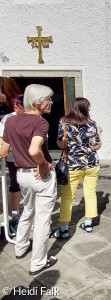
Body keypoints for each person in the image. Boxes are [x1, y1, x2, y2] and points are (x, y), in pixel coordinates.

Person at [0, 84, 57, 275]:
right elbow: (34, 150)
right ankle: (38, 262)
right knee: (42, 219)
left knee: (28, 211)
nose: (51, 102)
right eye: (47, 99)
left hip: (21, 175)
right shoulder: (40, 123)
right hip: (40, 175)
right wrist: (42, 163)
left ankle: (20, 247)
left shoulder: (11, 121)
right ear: (36, 102)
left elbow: (3, 150)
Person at [50, 97, 102, 239]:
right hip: (92, 164)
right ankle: (89, 223)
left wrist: (72, 145)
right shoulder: (92, 124)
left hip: (73, 165)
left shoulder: (64, 121)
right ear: (84, 108)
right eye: (88, 107)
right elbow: (98, 145)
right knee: (90, 194)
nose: (90, 109)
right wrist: (88, 149)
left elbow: (61, 144)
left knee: (67, 197)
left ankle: (64, 229)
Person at [0, 95, 25, 235]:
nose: (15, 109)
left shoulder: (34, 119)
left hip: (29, 159)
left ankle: (29, 215)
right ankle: (15, 216)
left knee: (29, 186)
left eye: (18, 107)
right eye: (14, 107)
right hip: (12, 158)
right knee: (15, 184)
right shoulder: (8, 118)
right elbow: (1, 139)